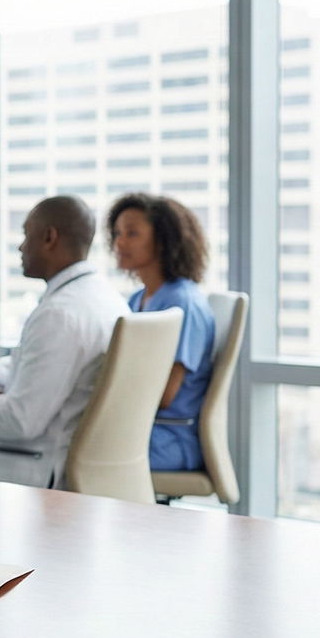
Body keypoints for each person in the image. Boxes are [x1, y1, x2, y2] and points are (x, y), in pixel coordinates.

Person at [0, 195, 129, 491]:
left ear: (49, 237)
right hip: (77, 463)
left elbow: (19, 421)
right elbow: (49, 365)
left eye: (25, 234)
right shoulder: (105, 299)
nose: (20, 246)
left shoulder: (59, 315)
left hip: (31, 469)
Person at [108, 192, 215, 471]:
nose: (119, 242)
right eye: (117, 233)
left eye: (132, 234)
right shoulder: (137, 300)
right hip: (143, 430)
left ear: (164, 240)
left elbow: (164, 394)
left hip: (169, 439)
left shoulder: (183, 303)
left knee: (65, 446)